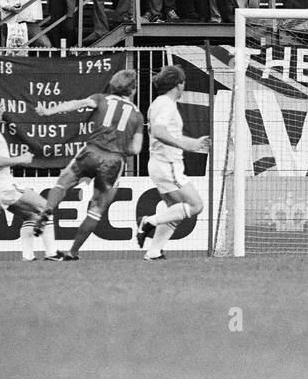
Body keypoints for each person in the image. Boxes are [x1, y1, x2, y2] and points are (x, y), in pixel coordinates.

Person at [32, 70, 146, 261]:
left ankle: (47, 210)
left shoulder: (101, 99)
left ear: (113, 84)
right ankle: (73, 251)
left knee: (63, 182)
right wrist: (119, 144)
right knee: (97, 207)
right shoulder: (137, 115)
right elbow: (136, 149)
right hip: (114, 160)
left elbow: (77, 104)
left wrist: (49, 111)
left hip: (91, 151)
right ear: (133, 89)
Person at [136, 66, 211, 262]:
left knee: (174, 211)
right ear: (178, 85)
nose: (184, 86)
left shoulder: (160, 103)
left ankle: (154, 251)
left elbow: (168, 134)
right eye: (183, 82)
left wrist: (192, 144)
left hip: (161, 164)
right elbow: (160, 132)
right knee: (196, 205)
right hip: (167, 164)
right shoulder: (165, 105)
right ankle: (148, 221)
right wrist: (183, 146)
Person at [0, 93, 58, 262]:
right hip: (2, 186)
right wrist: (22, 159)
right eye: (0, 107)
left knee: (31, 216)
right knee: (45, 207)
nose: (3, 110)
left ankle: (28, 257)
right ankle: (53, 253)